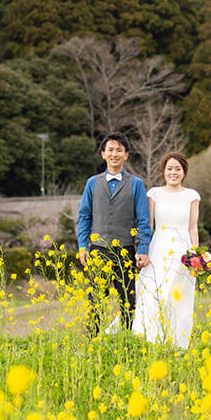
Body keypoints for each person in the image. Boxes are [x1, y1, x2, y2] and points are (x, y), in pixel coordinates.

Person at [76, 132, 151, 335]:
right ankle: (93, 342)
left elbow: (143, 220)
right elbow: (84, 217)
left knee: (128, 300)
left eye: (119, 150)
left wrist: (143, 248)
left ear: (126, 155)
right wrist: (83, 246)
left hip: (125, 251)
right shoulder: (92, 183)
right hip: (98, 251)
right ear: (103, 154)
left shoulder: (136, 184)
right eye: (110, 149)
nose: (114, 154)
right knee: (96, 300)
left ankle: (126, 341)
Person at [132, 151, 200, 350]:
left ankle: (177, 344)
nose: (173, 173)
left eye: (178, 169)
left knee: (179, 296)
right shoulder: (154, 193)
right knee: (153, 292)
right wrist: (142, 250)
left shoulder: (192, 196)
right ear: (163, 171)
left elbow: (192, 228)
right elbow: (149, 224)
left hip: (183, 249)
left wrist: (196, 255)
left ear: (184, 172)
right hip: (159, 246)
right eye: (169, 169)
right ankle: (150, 339)